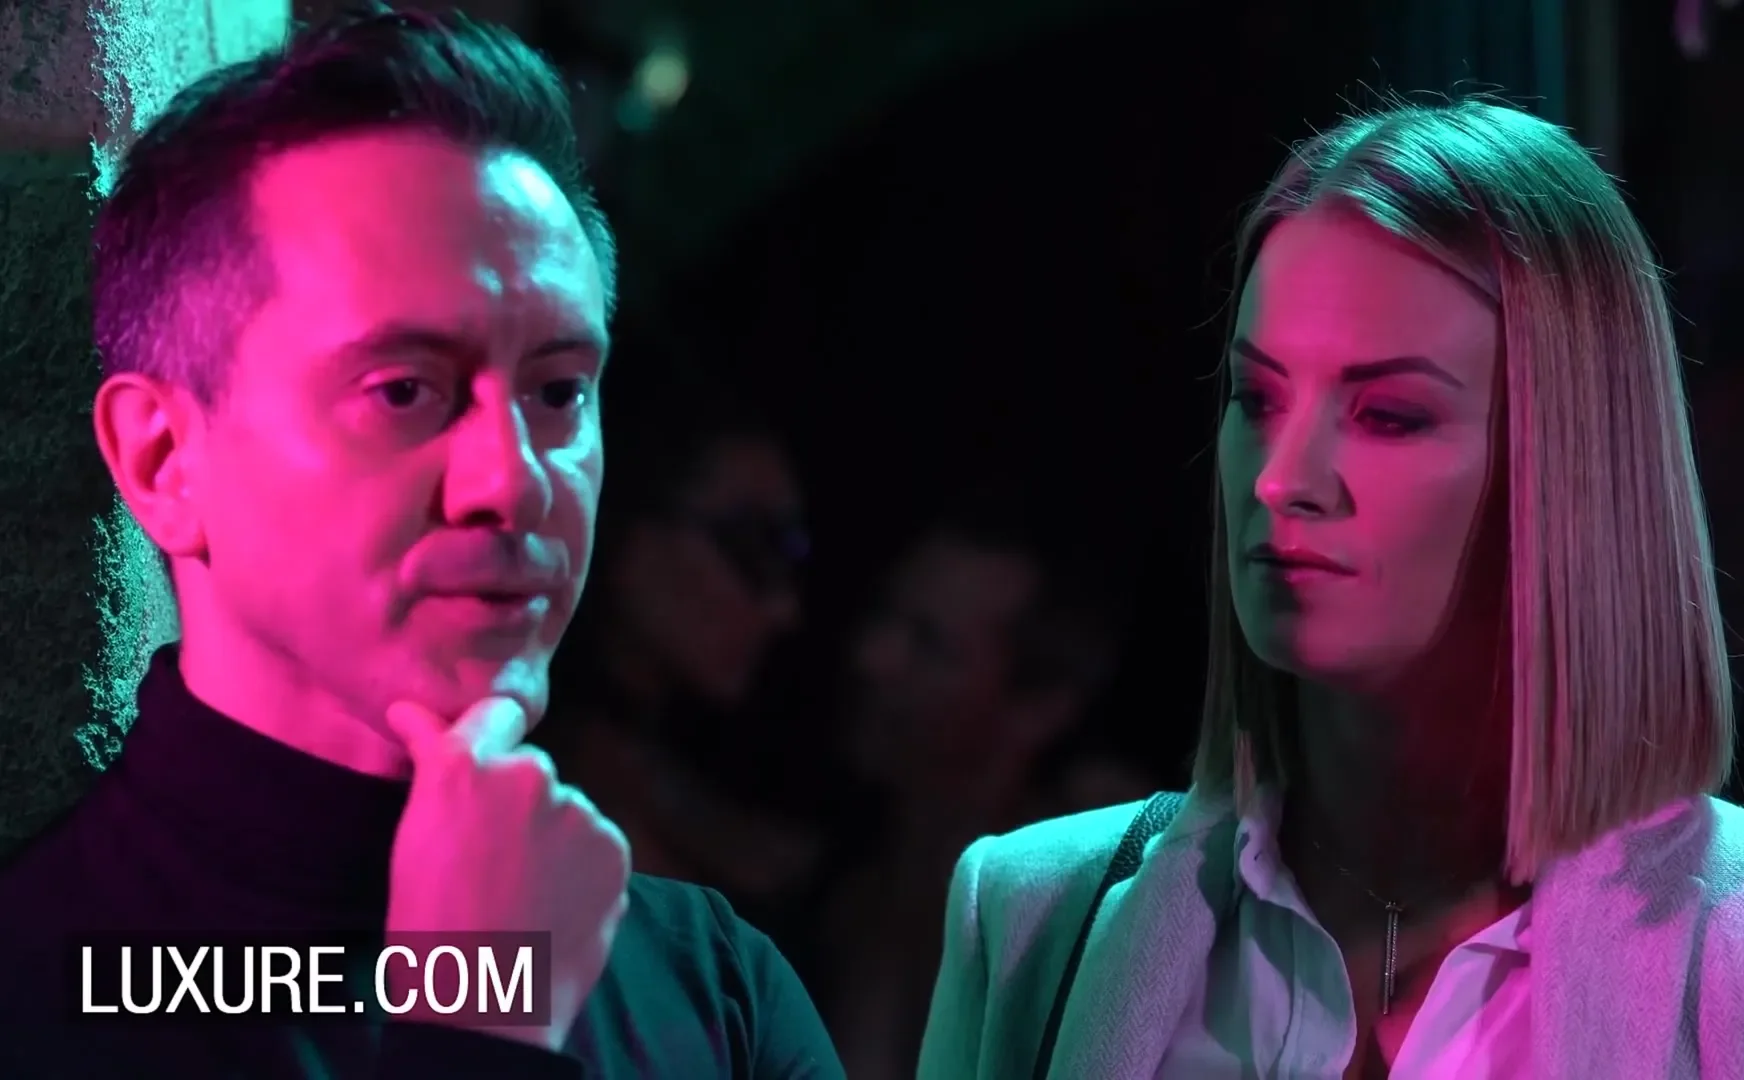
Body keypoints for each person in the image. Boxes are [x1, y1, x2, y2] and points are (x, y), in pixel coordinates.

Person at [916, 100, 1744, 1080]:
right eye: (1256, 398)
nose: (1280, 479)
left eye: (1389, 414)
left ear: (1566, 467)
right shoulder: (1029, 917)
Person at [0, 6, 842, 1079]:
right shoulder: (40, 992)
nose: (512, 480)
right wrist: (483, 1021)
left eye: (557, 392)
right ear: (165, 459)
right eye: (403, 390)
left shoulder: (712, 985)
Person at [821, 498, 1147, 1080]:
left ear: (1040, 707)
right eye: (885, 615)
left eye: (929, 645)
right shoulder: (847, 897)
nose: (872, 657)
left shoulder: (1084, 922)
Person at [535, 368, 818, 923]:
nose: (783, 608)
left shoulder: (679, 781)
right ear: (625, 524)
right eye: (751, 546)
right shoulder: (532, 782)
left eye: (789, 555)